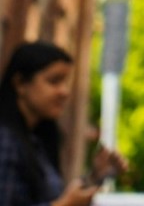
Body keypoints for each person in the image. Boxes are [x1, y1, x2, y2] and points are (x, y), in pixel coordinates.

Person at [0, 41, 125, 206]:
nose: (64, 92)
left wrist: (95, 177)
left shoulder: (35, 140)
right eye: (54, 81)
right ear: (20, 84)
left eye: (65, 82)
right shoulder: (6, 140)